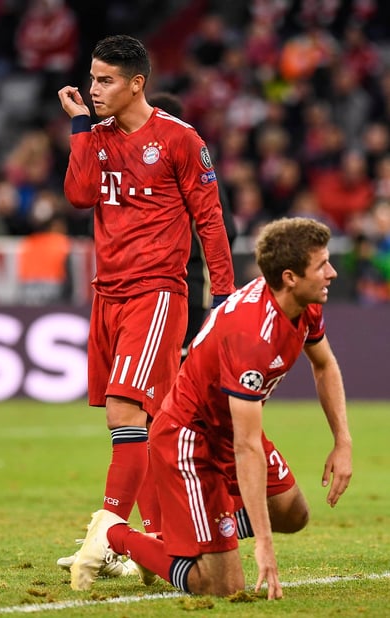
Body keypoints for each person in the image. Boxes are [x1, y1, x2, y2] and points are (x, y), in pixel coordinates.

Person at [68, 216, 353, 599]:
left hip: (229, 426)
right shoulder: (251, 336)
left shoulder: (303, 303)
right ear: (290, 277)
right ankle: (117, 535)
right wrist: (263, 544)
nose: (332, 273)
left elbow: (324, 364)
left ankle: (195, 534)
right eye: (322, 265)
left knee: (293, 512)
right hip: (191, 439)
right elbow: (247, 447)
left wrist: (342, 441)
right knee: (221, 585)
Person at [56, 34, 235, 574]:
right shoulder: (97, 135)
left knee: (125, 411)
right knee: (153, 423)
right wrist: (80, 127)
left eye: (105, 80)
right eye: (92, 78)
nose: (95, 89)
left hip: (155, 291)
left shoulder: (180, 139)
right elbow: (80, 194)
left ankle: (108, 534)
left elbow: (210, 218)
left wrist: (223, 295)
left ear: (137, 83)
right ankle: (156, 533)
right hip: (105, 293)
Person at [147, 91, 237, 357]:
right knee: (184, 364)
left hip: (155, 283)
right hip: (189, 283)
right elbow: (226, 229)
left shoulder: (143, 170)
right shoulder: (194, 168)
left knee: (158, 363)